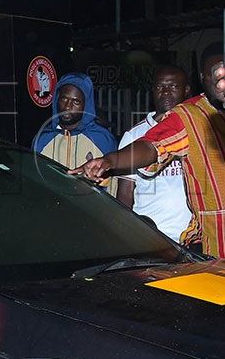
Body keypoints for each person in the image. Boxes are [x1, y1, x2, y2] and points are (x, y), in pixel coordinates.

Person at [75, 44, 225, 257]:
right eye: (216, 74)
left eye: (173, 86)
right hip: (198, 247)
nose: (222, 82)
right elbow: (151, 147)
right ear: (203, 78)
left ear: (186, 88)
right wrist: (110, 160)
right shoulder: (190, 118)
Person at [114, 65, 192, 242]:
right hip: (151, 236)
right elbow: (126, 193)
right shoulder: (134, 135)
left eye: (173, 86)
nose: (165, 92)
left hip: (193, 237)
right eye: (159, 87)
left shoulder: (196, 130)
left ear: (186, 90)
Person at [32, 72, 117, 170]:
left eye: (76, 102)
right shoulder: (43, 138)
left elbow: (112, 182)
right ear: (57, 99)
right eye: (64, 99)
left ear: (86, 105)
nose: (68, 106)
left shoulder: (103, 139)